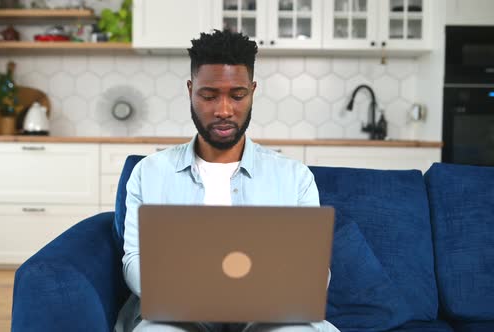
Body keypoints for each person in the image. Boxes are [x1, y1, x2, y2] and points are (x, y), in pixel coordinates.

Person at [115, 29, 339, 332]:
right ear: (190, 90)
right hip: (178, 315)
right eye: (208, 96)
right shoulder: (150, 172)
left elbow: (314, 271)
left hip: (267, 317)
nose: (223, 110)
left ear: (253, 91)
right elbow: (134, 261)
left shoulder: (294, 177)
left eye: (237, 95)